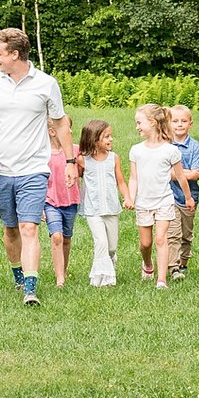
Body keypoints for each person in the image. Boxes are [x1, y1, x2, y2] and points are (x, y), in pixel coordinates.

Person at [0, 27, 70, 306]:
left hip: (34, 168)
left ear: (15, 54)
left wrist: (70, 160)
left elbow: (60, 122)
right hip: (1, 169)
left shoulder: (46, 83)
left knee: (29, 227)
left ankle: (30, 287)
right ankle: (18, 275)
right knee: (11, 228)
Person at [127, 104, 185, 290]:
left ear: (152, 122)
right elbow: (133, 178)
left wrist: (188, 198)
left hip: (164, 200)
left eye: (139, 122)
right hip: (143, 202)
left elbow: (181, 177)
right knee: (146, 243)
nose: (137, 127)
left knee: (161, 238)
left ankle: (162, 280)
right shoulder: (136, 150)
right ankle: (148, 264)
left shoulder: (170, 150)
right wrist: (130, 197)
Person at [75, 118, 127, 286]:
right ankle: (100, 278)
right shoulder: (83, 160)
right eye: (106, 137)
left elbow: (121, 181)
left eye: (110, 136)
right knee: (101, 242)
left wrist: (127, 197)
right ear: (94, 140)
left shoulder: (114, 158)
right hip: (93, 209)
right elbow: (76, 176)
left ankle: (110, 262)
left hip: (111, 208)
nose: (110, 139)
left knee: (111, 247)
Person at [167, 104, 199, 281]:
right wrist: (185, 174)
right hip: (169, 197)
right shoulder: (166, 146)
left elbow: (196, 174)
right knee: (173, 233)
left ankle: (183, 263)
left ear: (190, 123)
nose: (179, 124)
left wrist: (178, 174)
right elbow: (166, 173)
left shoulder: (194, 146)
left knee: (186, 234)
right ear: (168, 123)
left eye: (183, 121)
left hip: (189, 197)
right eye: (175, 121)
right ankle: (173, 267)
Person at [42, 142, 82, 289]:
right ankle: (59, 279)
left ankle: (63, 271)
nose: (70, 131)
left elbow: (86, 169)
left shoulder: (75, 151)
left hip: (70, 201)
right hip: (50, 201)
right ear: (53, 132)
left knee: (66, 238)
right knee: (56, 236)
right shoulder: (43, 153)